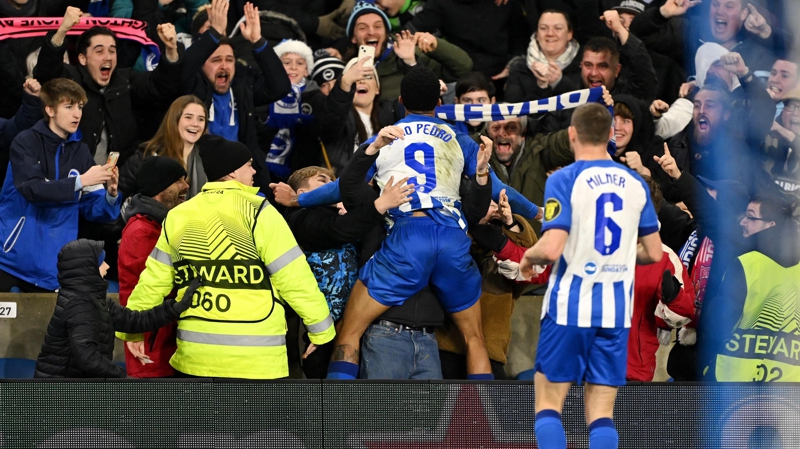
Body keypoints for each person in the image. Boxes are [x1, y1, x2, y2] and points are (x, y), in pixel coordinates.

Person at [325, 66, 494, 380]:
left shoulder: (387, 138)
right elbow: (476, 210)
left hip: (409, 235)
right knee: (475, 339)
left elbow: (345, 187)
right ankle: (479, 428)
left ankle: (336, 422)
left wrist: (300, 199)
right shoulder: (459, 141)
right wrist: (483, 178)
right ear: (439, 101)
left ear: (401, 100)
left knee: (349, 334)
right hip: (452, 236)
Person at [118, 135, 335, 379]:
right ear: (231, 172)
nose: (254, 170)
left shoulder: (179, 216)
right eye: (249, 164)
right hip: (256, 361)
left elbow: (152, 282)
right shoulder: (258, 212)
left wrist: (132, 330)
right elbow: (294, 278)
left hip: (196, 359)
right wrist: (321, 330)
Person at [518, 103, 663, 449]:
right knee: (601, 414)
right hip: (614, 313)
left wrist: (529, 254)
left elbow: (552, 248)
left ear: (572, 135)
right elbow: (654, 253)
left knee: (549, 405)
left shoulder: (563, 179)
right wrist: (623, 255)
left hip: (570, 307)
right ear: (611, 135)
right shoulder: (635, 183)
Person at [284, 165, 413, 378]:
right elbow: (336, 230)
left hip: (350, 325)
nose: (331, 187)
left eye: (332, 183)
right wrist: (378, 204)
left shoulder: (344, 217)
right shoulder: (301, 218)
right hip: (315, 330)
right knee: (318, 400)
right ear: (302, 194)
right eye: (322, 181)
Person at [0, 78, 121, 292]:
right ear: (49, 109)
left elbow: (95, 209)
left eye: (80, 107)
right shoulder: (25, 142)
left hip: (52, 271)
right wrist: (81, 181)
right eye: (69, 106)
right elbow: (32, 189)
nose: (77, 114)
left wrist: (110, 195)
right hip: (10, 262)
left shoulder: (81, 152)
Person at [33, 6, 183, 167]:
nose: (108, 57)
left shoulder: (126, 80)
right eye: (99, 51)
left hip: (120, 180)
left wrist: (171, 50)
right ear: (83, 59)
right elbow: (45, 73)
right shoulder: (71, 79)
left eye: (112, 51)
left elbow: (162, 86)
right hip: (73, 178)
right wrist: (62, 30)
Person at [34, 239, 197, 378]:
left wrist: (175, 307)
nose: (107, 266)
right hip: (59, 394)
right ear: (88, 269)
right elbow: (87, 357)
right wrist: (122, 376)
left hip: (76, 389)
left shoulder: (94, 299)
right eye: (101, 262)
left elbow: (134, 321)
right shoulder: (80, 305)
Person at [182, 0, 292, 193]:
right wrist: (213, 34)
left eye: (229, 60)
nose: (224, 65)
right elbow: (180, 72)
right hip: (202, 177)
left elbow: (280, 87)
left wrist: (258, 42)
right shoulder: (190, 82)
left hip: (244, 177)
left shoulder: (242, 80)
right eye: (216, 60)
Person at [702, 193, 800, 382]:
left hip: (735, 383)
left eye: (751, 216)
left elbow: (717, 326)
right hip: (789, 386)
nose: (743, 222)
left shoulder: (747, 264)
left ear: (771, 225)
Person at [118, 157, 190, 378]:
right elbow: (154, 287)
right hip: (152, 347)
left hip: (164, 340)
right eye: (179, 181)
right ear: (160, 187)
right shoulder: (143, 230)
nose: (186, 187)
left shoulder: (159, 223)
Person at [340, 1, 473, 102]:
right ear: (353, 37)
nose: (371, 32)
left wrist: (436, 46)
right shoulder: (346, 70)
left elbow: (463, 68)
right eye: (362, 28)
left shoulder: (410, 54)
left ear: (387, 33)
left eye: (378, 26)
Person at [119, 95, 209, 200]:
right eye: (188, 117)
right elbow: (117, 196)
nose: (195, 124)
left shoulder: (209, 158)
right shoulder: (147, 156)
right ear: (174, 120)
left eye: (201, 119)